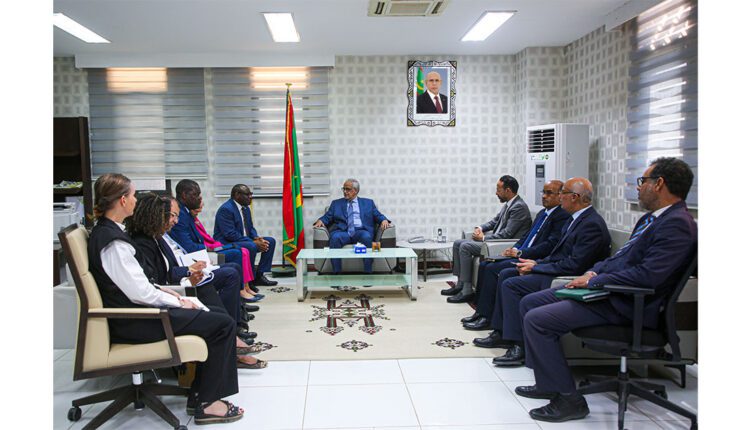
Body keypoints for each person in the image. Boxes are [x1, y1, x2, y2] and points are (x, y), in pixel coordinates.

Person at [515, 157, 697, 423]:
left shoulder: (677, 224)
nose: (638, 187)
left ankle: (569, 400)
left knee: (537, 319)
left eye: (642, 181)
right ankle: (547, 382)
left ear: (659, 184)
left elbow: (647, 276)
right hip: (611, 292)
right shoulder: (652, 219)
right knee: (530, 302)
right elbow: (621, 259)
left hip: (627, 305)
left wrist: (593, 282)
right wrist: (593, 272)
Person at [86, 173, 244, 425]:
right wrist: (179, 301)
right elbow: (140, 293)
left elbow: (137, 284)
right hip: (136, 321)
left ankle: (199, 395)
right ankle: (208, 403)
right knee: (222, 325)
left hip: (137, 314)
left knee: (214, 316)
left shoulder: (108, 233)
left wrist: (166, 291)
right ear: (123, 200)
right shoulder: (114, 243)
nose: (136, 200)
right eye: (133, 195)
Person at [478, 177, 611, 363]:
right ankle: (501, 332)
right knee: (507, 273)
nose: (559, 197)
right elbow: (557, 254)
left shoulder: (591, 224)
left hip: (565, 278)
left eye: (562, 193)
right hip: (556, 269)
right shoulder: (574, 220)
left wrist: (537, 267)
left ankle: (518, 345)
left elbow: (575, 265)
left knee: (511, 284)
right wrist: (534, 262)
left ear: (574, 197)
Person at [127, 194, 264, 354]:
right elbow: (156, 282)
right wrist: (187, 277)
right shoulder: (143, 242)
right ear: (155, 215)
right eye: (172, 215)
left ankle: (234, 333)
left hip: (181, 276)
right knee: (224, 277)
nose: (175, 221)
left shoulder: (157, 237)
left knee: (223, 276)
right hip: (169, 294)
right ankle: (232, 336)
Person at [462, 180, 569, 330]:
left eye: (549, 193)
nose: (544, 196)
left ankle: (487, 318)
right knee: (485, 265)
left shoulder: (562, 216)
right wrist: (515, 248)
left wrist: (521, 252)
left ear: (560, 196)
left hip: (532, 257)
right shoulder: (542, 213)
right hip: (520, 253)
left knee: (493, 269)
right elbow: (526, 236)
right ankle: (481, 312)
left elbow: (549, 245)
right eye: (543, 192)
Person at [170, 179, 264, 302]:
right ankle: (241, 293)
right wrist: (209, 248)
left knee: (239, 250)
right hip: (195, 257)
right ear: (184, 195)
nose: (199, 199)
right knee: (237, 253)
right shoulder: (182, 215)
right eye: (196, 195)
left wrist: (254, 238)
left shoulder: (185, 212)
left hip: (204, 250)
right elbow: (189, 247)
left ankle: (245, 288)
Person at [443, 175, 532, 303]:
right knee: (457, 243)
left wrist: (483, 238)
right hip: (494, 242)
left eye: (498, 190)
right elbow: (494, 221)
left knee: (465, 247)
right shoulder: (509, 204)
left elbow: (506, 234)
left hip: (503, 245)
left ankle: (467, 290)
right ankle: (460, 284)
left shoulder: (519, 207)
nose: (496, 193)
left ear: (508, 190)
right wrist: (480, 228)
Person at [313, 178, 391, 274]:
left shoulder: (368, 203)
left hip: (360, 231)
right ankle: (336, 273)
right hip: (343, 232)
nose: (345, 191)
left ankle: (368, 272)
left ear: (356, 191)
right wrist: (321, 220)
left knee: (366, 236)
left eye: (348, 189)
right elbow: (328, 216)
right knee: (335, 237)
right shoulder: (336, 203)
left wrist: (383, 220)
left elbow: (377, 214)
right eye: (344, 189)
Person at [213, 184, 278, 286]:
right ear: (237, 195)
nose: (250, 197)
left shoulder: (246, 208)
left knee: (270, 241)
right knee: (251, 246)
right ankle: (250, 280)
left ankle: (259, 275)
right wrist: (253, 242)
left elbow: (250, 228)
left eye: (251, 194)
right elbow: (230, 234)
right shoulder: (226, 209)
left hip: (243, 240)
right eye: (247, 194)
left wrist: (257, 238)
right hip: (227, 243)